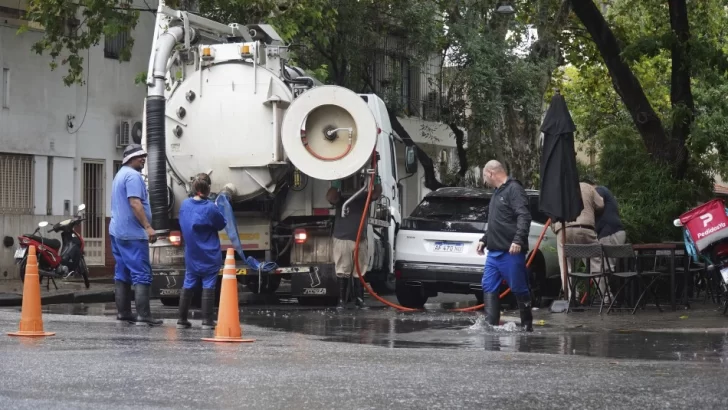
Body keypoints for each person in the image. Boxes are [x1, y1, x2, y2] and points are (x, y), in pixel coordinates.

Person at [476, 160, 533, 331]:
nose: (484, 180)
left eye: (484, 175)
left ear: (491, 173)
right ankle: (491, 326)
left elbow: (524, 216)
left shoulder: (514, 189)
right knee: (488, 285)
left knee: (518, 288)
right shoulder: (496, 193)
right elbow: (497, 222)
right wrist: (484, 239)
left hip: (510, 251)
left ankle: (526, 326)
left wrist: (518, 240)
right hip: (493, 252)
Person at [110, 144, 162, 326]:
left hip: (117, 232)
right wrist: (148, 227)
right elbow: (135, 203)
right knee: (142, 274)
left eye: (144, 156)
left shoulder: (120, 174)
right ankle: (144, 315)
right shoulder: (133, 176)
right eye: (140, 156)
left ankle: (124, 313)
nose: (143, 159)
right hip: (132, 234)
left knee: (122, 272)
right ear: (129, 158)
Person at [177, 173, 227, 329]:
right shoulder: (211, 208)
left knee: (188, 283)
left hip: (192, 254)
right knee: (209, 285)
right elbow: (221, 224)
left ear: (193, 188)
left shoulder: (185, 205)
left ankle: (181, 320)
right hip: (209, 254)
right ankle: (207, 321)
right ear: (208, 189)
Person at [326, 171, 381, 309]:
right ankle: (342, 301)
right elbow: (331, 197)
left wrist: (376, 182)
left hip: (360, 239)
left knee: (360, 270)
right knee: (343, 269)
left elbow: (375, 194)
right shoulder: (341, 197)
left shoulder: (364, 195)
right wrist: (336, 183)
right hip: (343, 238)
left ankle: (359, 300)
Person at [551, 179, 605, 302]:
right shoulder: (588, 187)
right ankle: (605, 297)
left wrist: (556, 230)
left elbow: (552, 214)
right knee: (596, 263)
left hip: (563, 230)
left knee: (565, 265)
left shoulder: (560, 190)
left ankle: (571, 298)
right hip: (585, 229)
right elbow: (601, 204)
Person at [593, 184, 627, 271]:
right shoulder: (605, 192)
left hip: (610, 234)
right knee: (604, 268)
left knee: (605, 269)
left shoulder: (599, 190)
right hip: (614, 233)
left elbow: (595, 204)